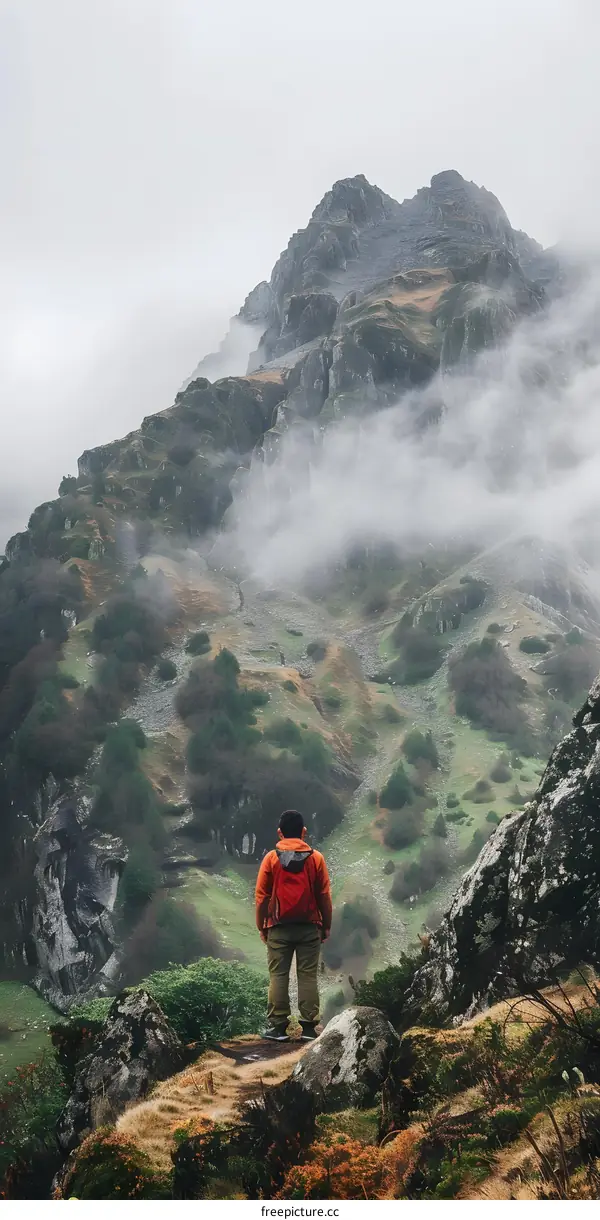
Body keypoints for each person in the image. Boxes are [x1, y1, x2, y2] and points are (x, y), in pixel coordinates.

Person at [255, 808, 332, 1041]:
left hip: (278, 926)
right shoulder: (316, 858)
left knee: (278, 975)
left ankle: (278, 1028)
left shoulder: (270, 859)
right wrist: (325, 925)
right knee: (307, 975)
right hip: (309, 926)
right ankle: (309, 1028)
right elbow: (324, 896)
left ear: (280, 833)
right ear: (304, 832)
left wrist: (262, 926)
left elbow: (261, 897)